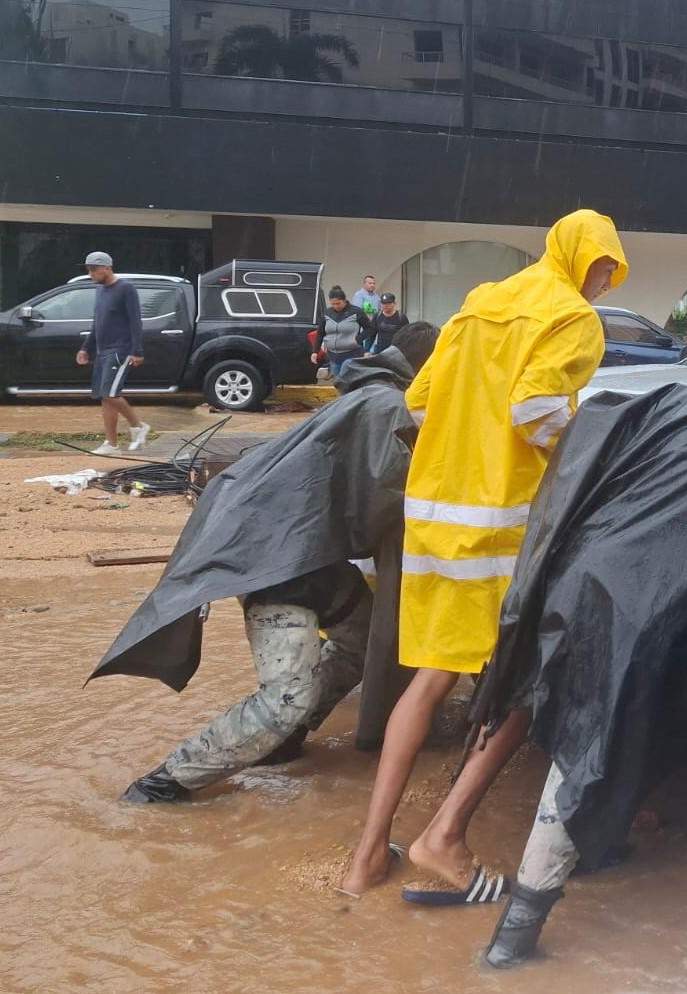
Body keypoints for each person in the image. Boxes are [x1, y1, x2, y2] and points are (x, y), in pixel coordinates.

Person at [472, 328, 687, 951]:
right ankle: (516, 931)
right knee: (592, 748)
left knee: (582, 738)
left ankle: (597, 845)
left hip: (575, 586)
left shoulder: (667, 405)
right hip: (641, 616)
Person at [340, 208, 628, 896]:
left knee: (433, 676)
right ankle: (444, 839)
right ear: (584, 260)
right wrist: (593, 447)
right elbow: (536, 412)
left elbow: (417, 402)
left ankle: (367, 856)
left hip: (436, 518)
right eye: (601, 269)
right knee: (526, 680)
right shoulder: (573, 318)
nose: (601, 284)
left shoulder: (481, 302)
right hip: (503, 529)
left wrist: (464, 442)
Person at [91, 322, 441, 802]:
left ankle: (287, 739)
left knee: (359, 643)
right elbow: (391, 492)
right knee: (283, 699)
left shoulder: (368, 396)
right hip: (279, 561)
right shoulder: (387, 406)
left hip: (309, 551)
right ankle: (164, 784)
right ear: (430, 367)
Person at [75, 252, 151, 456]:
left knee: (111, 393)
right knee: (104, 397)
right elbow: (96, 322)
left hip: (121, 350)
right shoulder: (100, 291)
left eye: (94, 269)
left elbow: (136, 321)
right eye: (88, 269)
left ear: (107, 268)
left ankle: (138, 426)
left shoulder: (126, 289)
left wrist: (137, 351)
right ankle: (111, 443)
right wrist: (85, 347)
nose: (90, 273)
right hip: (102, 350)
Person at [320, 286, 371, 378]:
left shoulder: (356, 312)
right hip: (333, 355)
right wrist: (315, 351)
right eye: (333, 304)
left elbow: (369, 328)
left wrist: (358, 339)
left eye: (338, 303)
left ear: (344, 300)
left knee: (349, 379)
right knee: (338, 382)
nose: (336, 306)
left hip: (351, 353)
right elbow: (320, 333)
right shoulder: (327, 313)